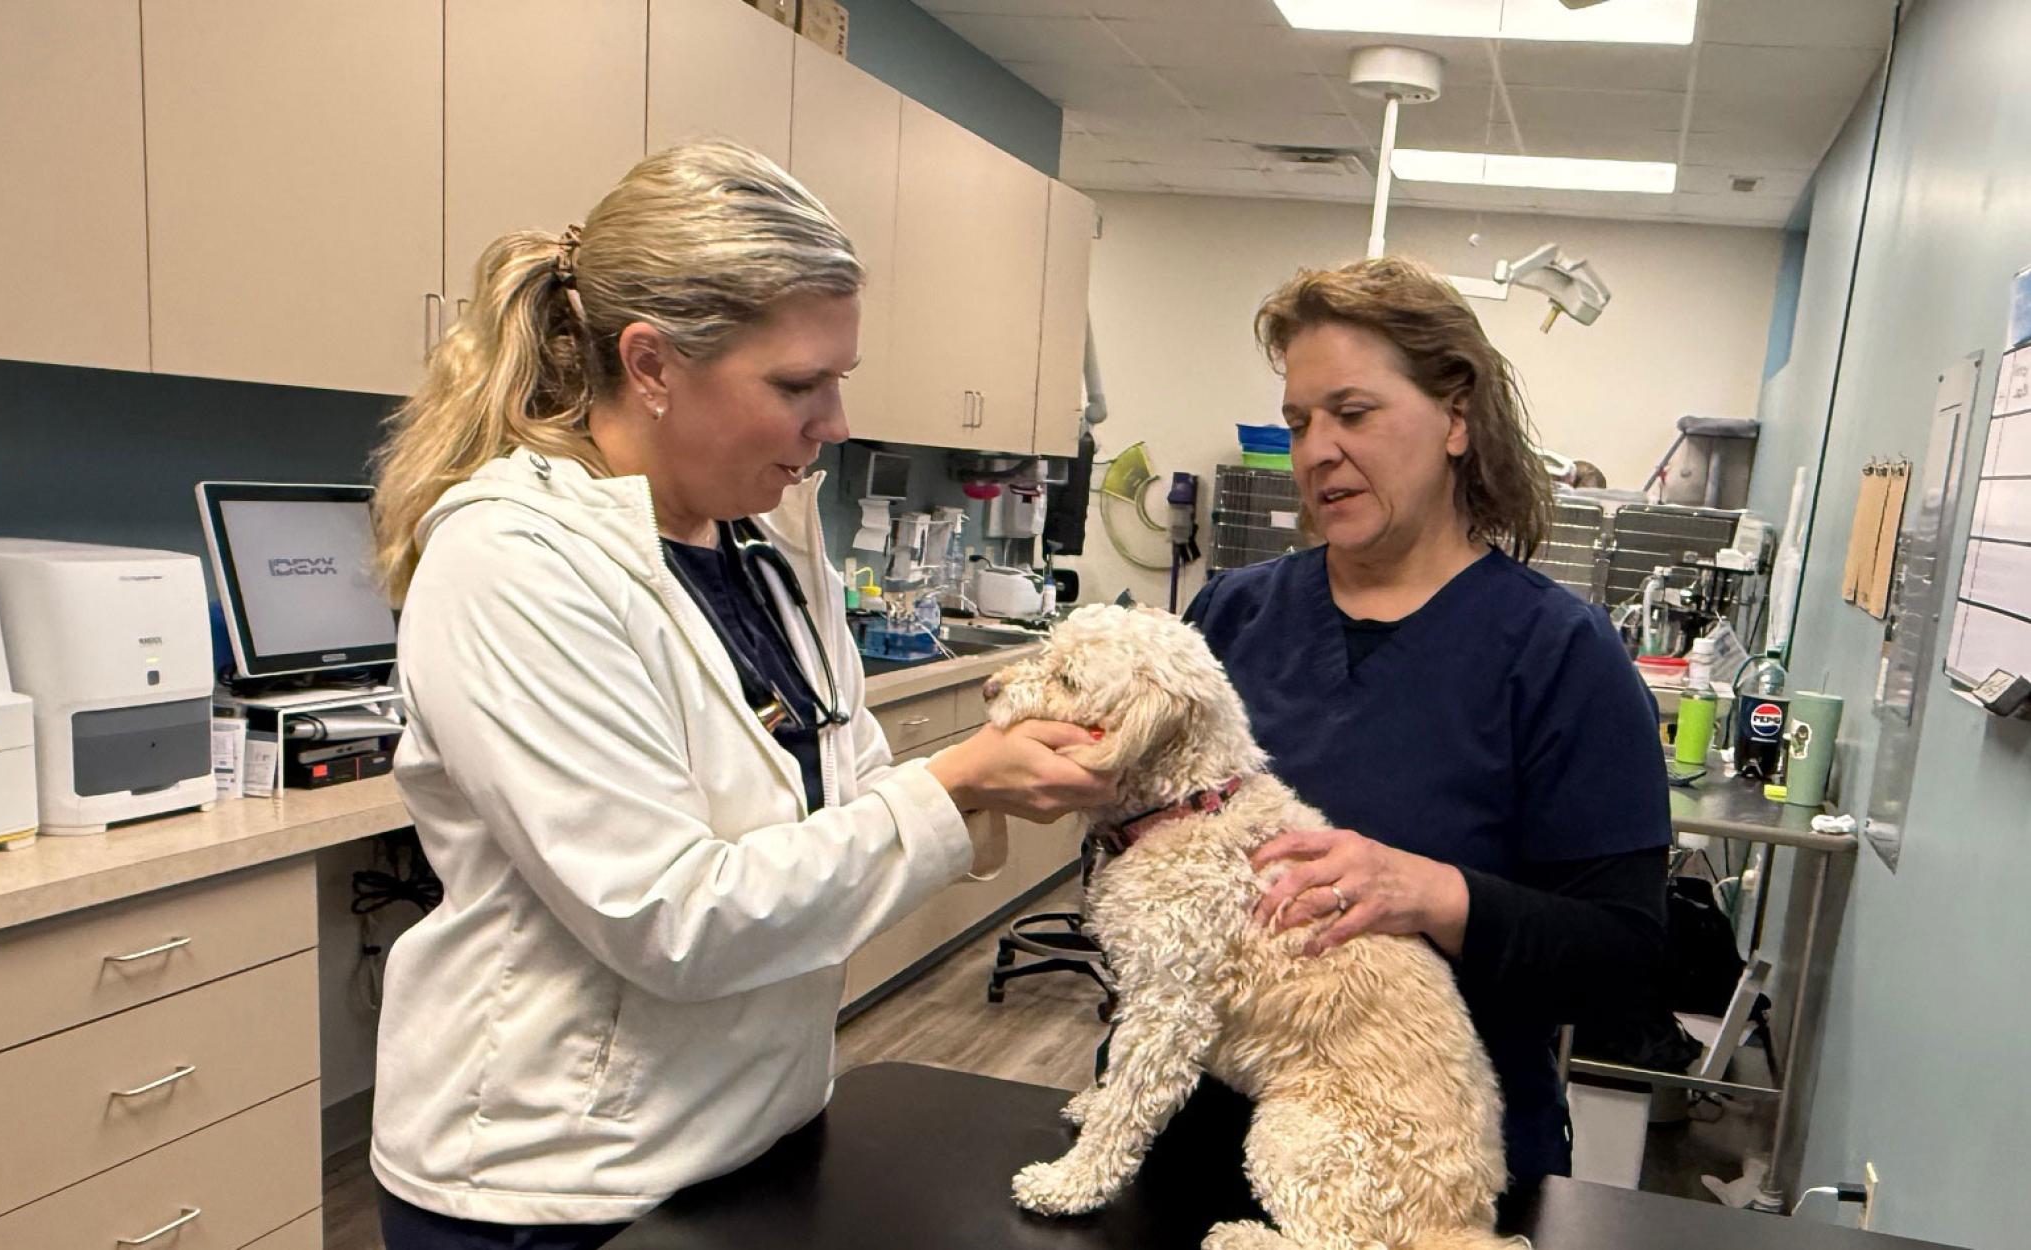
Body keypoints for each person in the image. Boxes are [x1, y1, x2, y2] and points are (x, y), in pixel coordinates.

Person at [365, 140, 1113, 1248]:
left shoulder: (762, 545)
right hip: (557, 1183)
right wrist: (956, 782)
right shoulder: (515, 561)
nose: (835, 423)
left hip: (754, 1130)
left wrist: (994, 778)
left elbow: (849, 798)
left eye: (839, 379)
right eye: (797, 384)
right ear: (653, 363)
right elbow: (671, 916)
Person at [1181, 257, 1670, 1199]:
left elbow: (1627, 966)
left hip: (1425, 1170)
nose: (1316, 449)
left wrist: (1433, 894)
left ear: (1454, 417)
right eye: (1298, 422)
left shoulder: (1557, 655)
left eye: (1352, 413)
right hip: (1207, 1140)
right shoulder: (1230, 620)